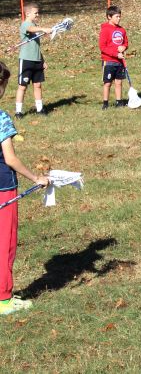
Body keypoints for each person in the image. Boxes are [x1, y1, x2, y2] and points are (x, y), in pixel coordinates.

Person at [0, 61, 49, 315]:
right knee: (5, 243)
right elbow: (10, 158)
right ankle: (4, 299)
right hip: (3, 190)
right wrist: (35, 177)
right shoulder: (1, 118)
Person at [15, 3, 53, 118]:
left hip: (37, 60)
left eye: (38, 12)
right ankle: (18, 112)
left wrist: (42, 60)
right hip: (26, 60)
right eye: (35, 13)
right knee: (23, 86)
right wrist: (42, 29)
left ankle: (40, 109)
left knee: (37, 85)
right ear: (27, 13)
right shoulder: (25, 24)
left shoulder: (34, 25)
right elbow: (30, 29)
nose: (38, 14)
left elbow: (36, 46)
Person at [98, 5, 128, 110]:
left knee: (119, 82)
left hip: (119, 62)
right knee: (107, 83)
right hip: (109, 61)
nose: (119, 19)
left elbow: (126, 43)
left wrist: (123, 47)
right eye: (116, 16)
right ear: (109, 17)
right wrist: (115, 53)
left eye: (120, 16)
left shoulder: (122, 30)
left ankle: (119, 102)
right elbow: (102, 47)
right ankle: (105, 103)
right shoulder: (105, 30)